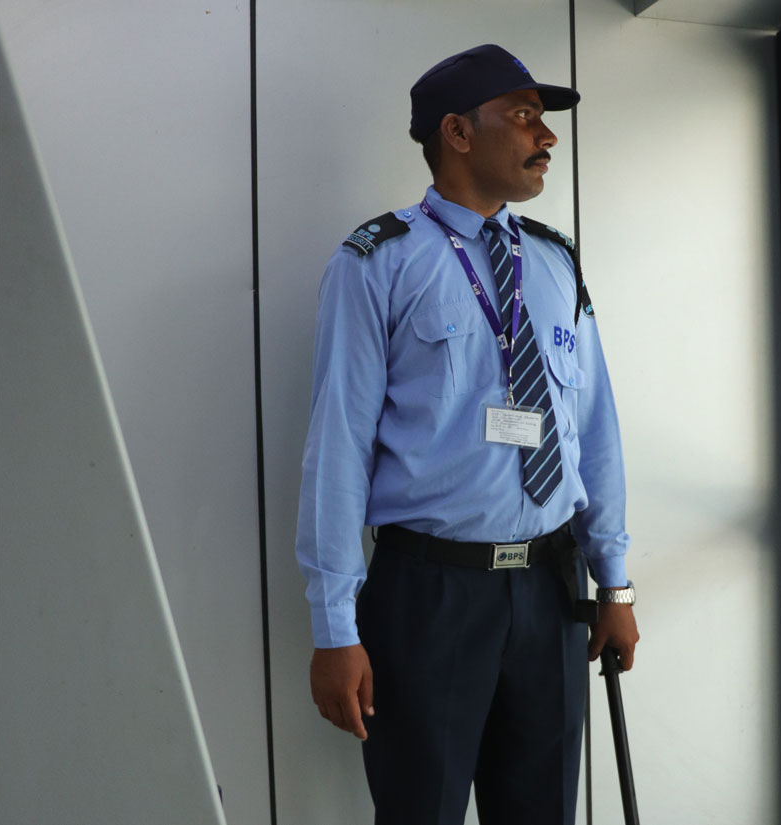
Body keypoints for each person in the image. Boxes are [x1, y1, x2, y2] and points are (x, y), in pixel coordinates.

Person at [295, 43, 638, 825]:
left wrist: (613, 581)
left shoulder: (555, 261)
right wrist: (333, 627)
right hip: (429, 596)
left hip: (552, 593)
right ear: (456, 132)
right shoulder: (377, 262)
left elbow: (595, 430)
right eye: (522, 117)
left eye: (542, 121)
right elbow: (338, 447)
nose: (544, 137)